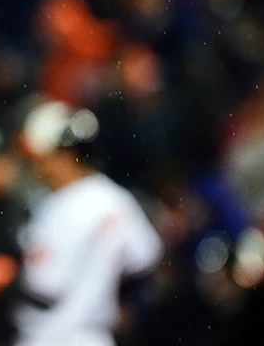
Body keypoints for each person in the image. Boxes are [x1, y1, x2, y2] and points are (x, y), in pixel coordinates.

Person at [11, 98, 163, 346]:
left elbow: (43, 285)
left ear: (65, 154)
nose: (36, 166)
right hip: (94, 337)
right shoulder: (115, 198)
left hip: (49, 336)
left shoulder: (55, 207)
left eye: (41, 157)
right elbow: (145, 257)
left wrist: (9, 279)